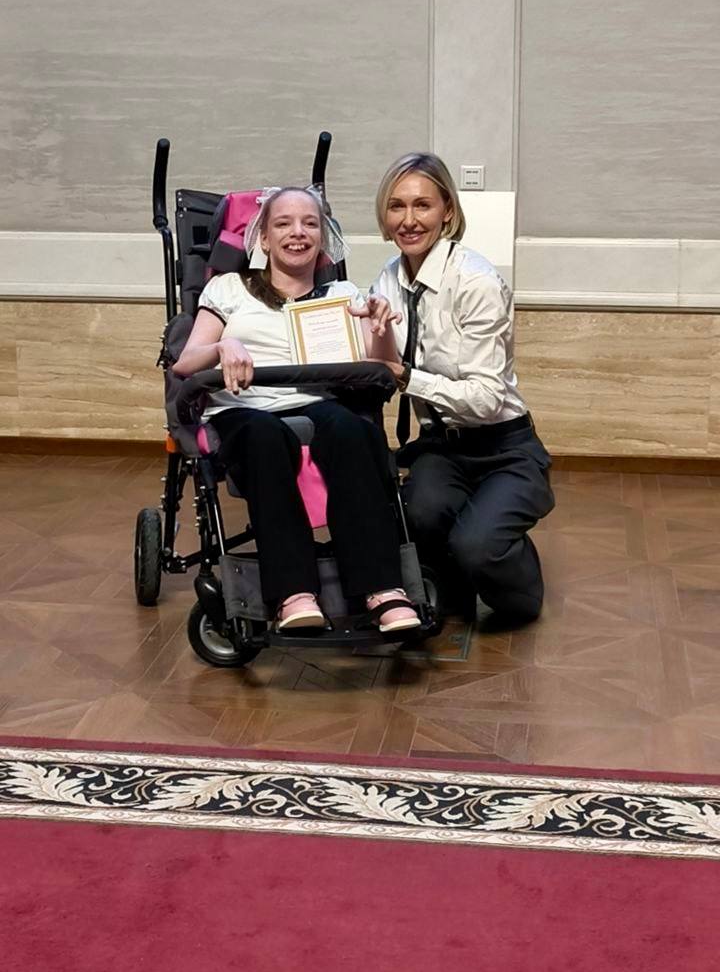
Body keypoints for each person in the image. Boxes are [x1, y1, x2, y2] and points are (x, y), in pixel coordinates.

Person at [173, 184, 421, 635]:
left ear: (323, 238)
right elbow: (185, 363)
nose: (298, 232)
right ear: (263, 238)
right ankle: (294, 593)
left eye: (310, 223)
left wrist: (380, 325)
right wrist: (223, 346)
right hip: (246, 408)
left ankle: (383, 588)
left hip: (316, 403)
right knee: (264, 436)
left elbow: (378, 367)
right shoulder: (228, 288)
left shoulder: (342, 294)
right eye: (283, 223)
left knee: (355, 431)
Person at [368, 153, 554, 625]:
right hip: (441, 446)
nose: (408, 220)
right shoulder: (388, 279)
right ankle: (455, 589)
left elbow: (486, 400)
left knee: (477, 546)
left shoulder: (476, 281)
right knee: (416, 514)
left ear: (447, 210)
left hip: (504, 446)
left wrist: (406, 377)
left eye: (422, 205)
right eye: (396, 206)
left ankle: (516, 578)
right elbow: (376, 359)